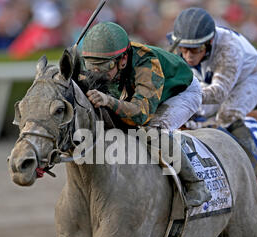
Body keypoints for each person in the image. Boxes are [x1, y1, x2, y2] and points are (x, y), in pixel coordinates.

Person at [81, 21, 211, 207]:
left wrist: (109, 101)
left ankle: (196, 185)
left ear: (123, 59)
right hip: (138, 92)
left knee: (151, 130)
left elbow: (141, 114)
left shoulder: (146, 63)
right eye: (91, 65)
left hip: (179, 93)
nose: (97, 72)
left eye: (105, 66)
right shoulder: (96, 61)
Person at [168, 7, 257, 191]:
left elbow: (218, 93)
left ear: (209, 42)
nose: (189, 56)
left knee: (227, 115)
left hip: (250, 78)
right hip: (212, 78)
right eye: (185, 49)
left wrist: (181, 92)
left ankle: (255, 170)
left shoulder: (228, 49)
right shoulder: (179, 43)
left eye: (196, 49)